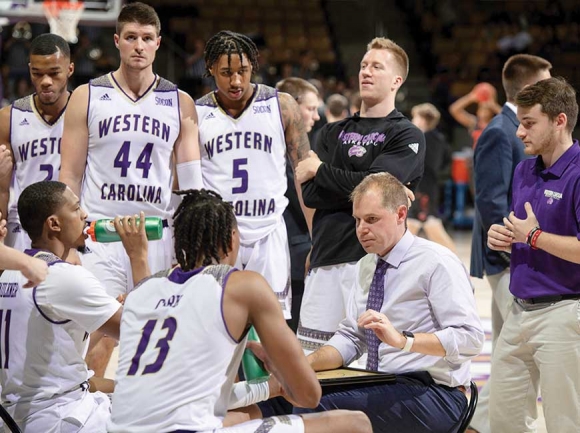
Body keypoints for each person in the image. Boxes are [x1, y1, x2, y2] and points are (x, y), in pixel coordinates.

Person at [108, 188, 372, 433]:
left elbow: (194, 398)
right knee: (354, 423)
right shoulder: (241, 284)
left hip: (121, 428)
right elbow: (308, 395)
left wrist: (269, 388)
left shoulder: (143, 291)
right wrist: (274, 365)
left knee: (251, 413)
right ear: (232, 238)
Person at [59, 1, 203, 376]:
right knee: (93, 337)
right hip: (101, 232)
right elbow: (69, 176)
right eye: (132, 37)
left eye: (147, 38)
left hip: (156, 234)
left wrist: (187, 246)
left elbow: (190, 187)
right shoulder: (86, 96)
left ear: (158, 43)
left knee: (156, 335)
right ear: (117, 41)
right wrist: (67, 243)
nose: (139, 45)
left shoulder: (180, 102)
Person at [295, 172, 484, 432]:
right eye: (358, 220)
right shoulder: (365, 265)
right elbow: (352, 338)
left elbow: (471, 338)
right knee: (297, 393)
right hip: (387, 384)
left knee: (316, 407)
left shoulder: (436, 262)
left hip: (437, 393)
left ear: (401, 214)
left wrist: (404, 341)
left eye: (372, 219)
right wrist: (300, 366)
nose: (362, 229)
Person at [295, 37, 426, 352]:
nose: (366, 72)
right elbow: (312, 194)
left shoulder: (406, 134)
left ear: (397, 80)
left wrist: (322, 171)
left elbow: (377, 196)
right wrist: (367, 183)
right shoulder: (330, 132)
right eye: (364, 65)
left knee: (368, 365)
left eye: (377, 67)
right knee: (312, 364)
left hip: (373, 262)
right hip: (326, 261)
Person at [0, 180, 149, 432]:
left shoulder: (8, 275)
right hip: (61, 417)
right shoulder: (63, 276)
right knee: (175, 413)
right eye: (76, 208)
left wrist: (100, 319)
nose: (85, 215)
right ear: (54, 224)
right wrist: (138, 256)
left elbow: (53, 349)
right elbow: (147, 333)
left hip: (20, 417)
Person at [487, 77, 580, 433]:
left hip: (564, 314)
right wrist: (505, 237)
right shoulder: (523, 170)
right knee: (504, 421)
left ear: (559, 120)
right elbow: (523, 234)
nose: (520, 132)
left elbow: (540, 236)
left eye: (529, 123)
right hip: (518, 310)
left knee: (565, 423)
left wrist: (535, 236)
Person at [196, 30, 311, 320]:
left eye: (243, 71)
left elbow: (304, 174)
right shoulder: (195, 113)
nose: (236, 81)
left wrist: (316, 237)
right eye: (226, 72)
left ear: (253, 68)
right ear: (210, 69)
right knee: (217, 324)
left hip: (268, 231)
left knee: (268, 327)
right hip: (218, 232)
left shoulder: (280, 106)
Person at [468, 54, 552, 433]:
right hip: (506, 261)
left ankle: (481, 424)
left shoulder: (512, 128)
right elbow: (491, 204)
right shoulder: (500, 131)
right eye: (546, 82)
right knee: (525, 351)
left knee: (508, 351)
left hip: (514, 259)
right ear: (528, 89)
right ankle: (502, 423)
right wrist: (521, 254)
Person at [0, 33, 74, 251]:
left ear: (70, 69)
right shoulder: (8, 118)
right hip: (21, 226)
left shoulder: (84, 113)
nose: (45, 81)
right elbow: (2, 185)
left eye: (54, 73)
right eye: (37, 73)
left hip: (69, 224)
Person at [275, 77, 319, 332]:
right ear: (292, 106)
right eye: (311, 109)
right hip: (291, 254)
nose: (315, 116)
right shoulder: (285, 153)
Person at [407, 103, 455, 251]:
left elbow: (426, 166)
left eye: (415, 118)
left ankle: (458, 266)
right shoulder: (437, 139)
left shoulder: (426, 139)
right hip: (426, 189)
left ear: (422, 120)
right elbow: (447, 160)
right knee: (410, 228)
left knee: (431, 228)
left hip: (424, 190)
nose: (413, 121)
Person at [449, 82, 502, 148]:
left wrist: (493, 105)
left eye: (486, 109)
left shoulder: (497, 123)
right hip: (478, 156)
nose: (483, 112)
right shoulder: (474, 122)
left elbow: (510, 118)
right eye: (481, 108)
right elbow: (454, 109)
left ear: (491, 111)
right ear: (477, 111)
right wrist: (470, 97)